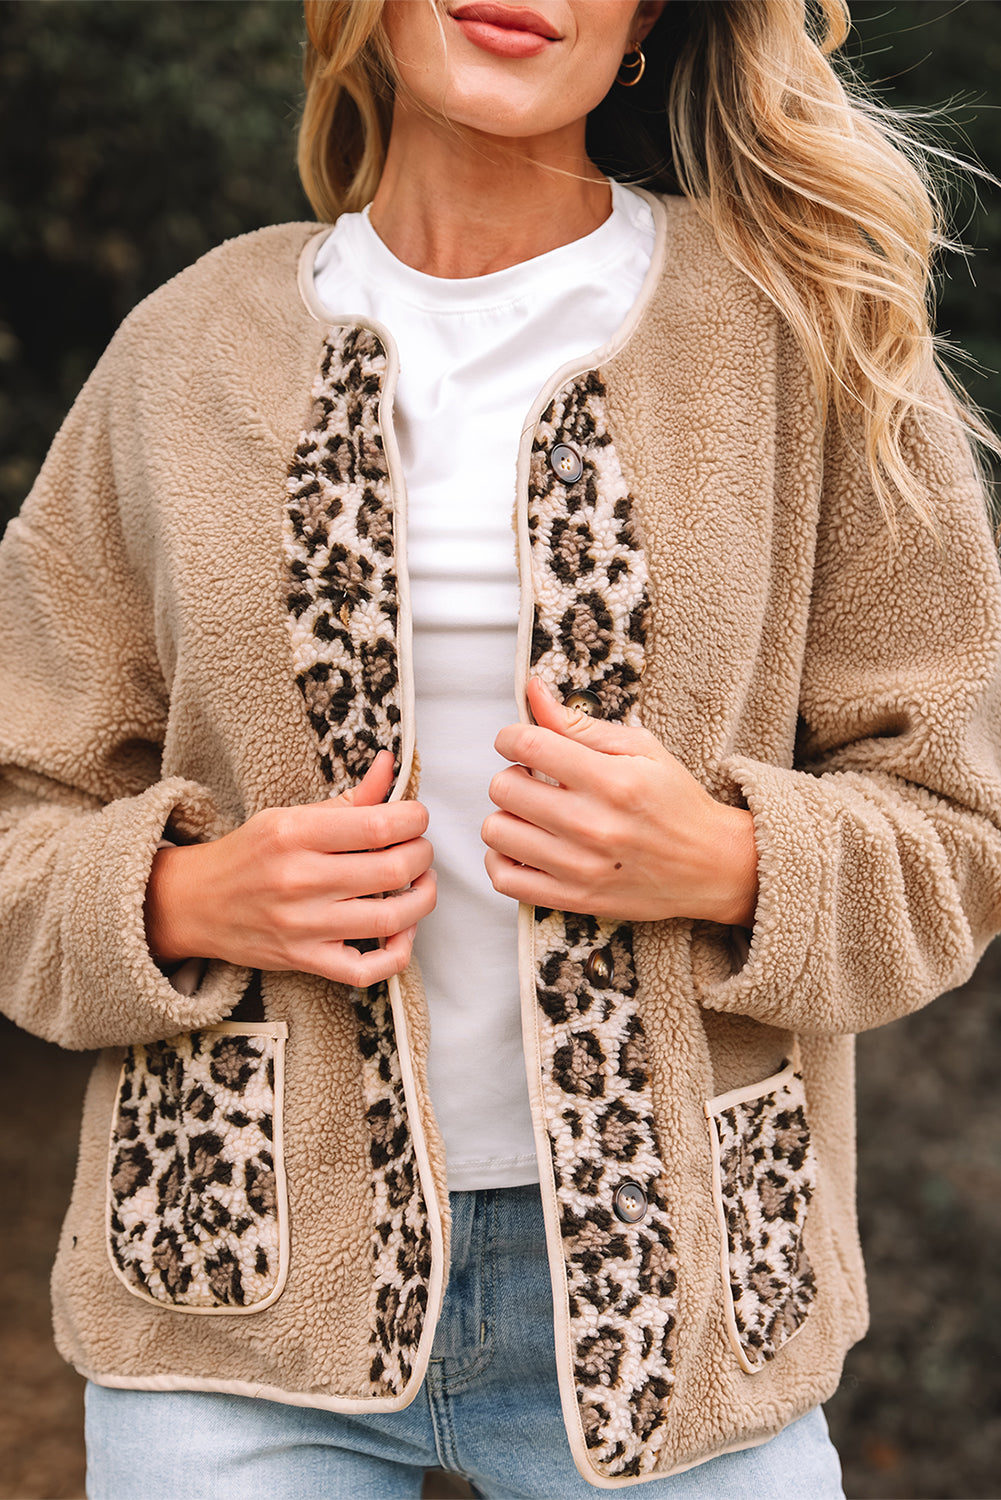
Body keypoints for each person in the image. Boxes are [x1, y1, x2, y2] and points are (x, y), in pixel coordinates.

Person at [2, 0, 1000, 1495]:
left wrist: (732, 859)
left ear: (651, 15)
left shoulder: (808, 336)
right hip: (232, 1304)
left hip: (683, 1318)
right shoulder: (181, 351)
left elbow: (961, 826)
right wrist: (174, 902)